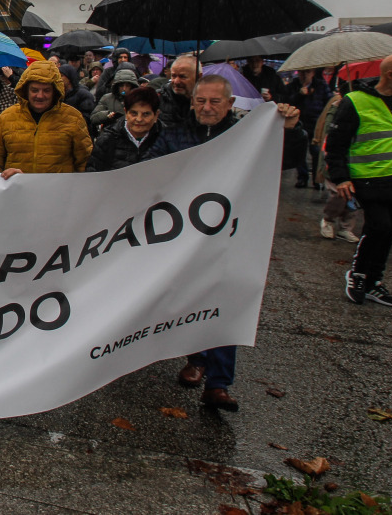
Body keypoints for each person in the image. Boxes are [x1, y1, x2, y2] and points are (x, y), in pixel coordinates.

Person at [148, 74, 305, 412]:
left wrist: (291, 130)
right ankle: (197, 358)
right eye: (200, 101)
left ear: (230, 104)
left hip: (231, 236)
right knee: (189, 300)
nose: (206, 108)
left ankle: (219, 383)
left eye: (214, 102)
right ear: (192, 103)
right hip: (183, 238)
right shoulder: (174, 135)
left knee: (225, 302)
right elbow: (150, 174)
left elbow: (288, 160)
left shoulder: (247, 137)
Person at [326, 54, 392, 309]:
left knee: (390, 231)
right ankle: (358, 274)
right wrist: (341, 178)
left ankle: (374, 282)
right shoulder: (356, 101)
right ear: (390, 74)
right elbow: (336, 144)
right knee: (379, 226)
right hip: (369, 177)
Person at [0, 60, 92, 177]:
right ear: (26, 90)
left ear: (55, 91)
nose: (40, 96)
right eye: (34, 90)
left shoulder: (73, 118)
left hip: (59, 192)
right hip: (18, 192)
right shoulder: (7, 117)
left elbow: (85, 160)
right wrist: (0, 181)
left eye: (46, 90)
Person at [315, 88, 359, 243]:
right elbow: (326, 128)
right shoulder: (337, 105)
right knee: (338, 195)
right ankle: (328, 219)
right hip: (335, 158)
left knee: (352, 197)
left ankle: (346, 228)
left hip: (355, 158)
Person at [87, 86, 163, 171]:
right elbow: (93, 174)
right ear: (126, 112)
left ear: (156, 115)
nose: (139, 119)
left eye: (146, 114)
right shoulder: (107, 140)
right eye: (134, 113)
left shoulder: (166, 140)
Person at [286, 68, 331, 188]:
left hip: (315, 124)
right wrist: (299, 94)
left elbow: (328, 102)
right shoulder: (293, 85)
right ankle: (302, 177)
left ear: (313, 73)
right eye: (302, 72)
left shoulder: (321, 85)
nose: (304, 75)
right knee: (300, 152)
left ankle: (317, 179)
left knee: (316, 151)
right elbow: (287, 101)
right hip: (299, 123)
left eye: (307, 72)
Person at [89, 68, 139, 136]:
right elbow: (93, 118)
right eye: (121, 85)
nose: (124, 89)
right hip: (111, 136)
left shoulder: (139, 100)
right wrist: (108, 114)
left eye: (127, 85)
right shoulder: (107, 98)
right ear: (117, 86)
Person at [158, 55, 199, 127]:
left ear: (199, 76)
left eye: (182, 77)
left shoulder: (207, 102)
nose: (176, 81)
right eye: (173, 76)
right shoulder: (158, 98)